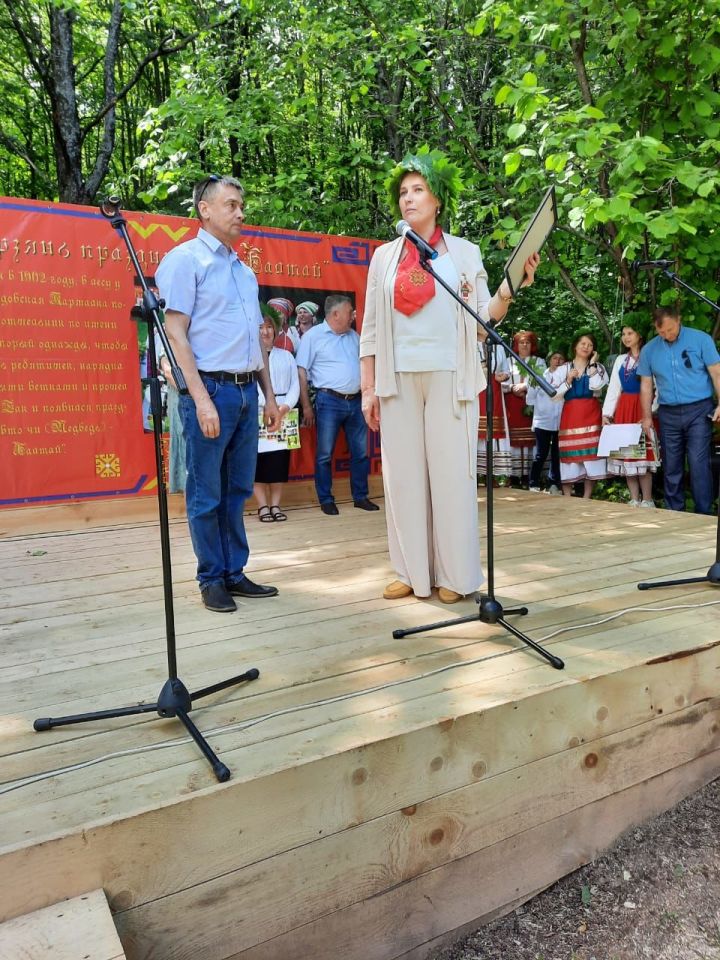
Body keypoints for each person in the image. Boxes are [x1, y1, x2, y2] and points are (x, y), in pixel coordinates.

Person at [359, 148, 539, 603]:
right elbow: (371, 330)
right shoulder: (383, 257)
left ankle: (454, 577)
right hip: (396, 379)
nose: (409, 198)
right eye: (403, 192)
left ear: (437, 199)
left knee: (451, 478)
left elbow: (482, 322)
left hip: (449, 376)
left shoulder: (463, 253)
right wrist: (368, 388)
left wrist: (510, 288)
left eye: (418, 190)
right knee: (403, 480)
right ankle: (411, 571)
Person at [156, 174, 281, 613]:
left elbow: (256, 342)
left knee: (238, 489)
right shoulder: (184, 260)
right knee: (206, 492)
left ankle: (234, 572)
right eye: (230, 205)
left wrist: (268, 396)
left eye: (241, 205)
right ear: (204, 210)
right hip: (209, 391)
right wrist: (201, 399)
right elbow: (176, 334)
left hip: (247, 393)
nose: (240, 212)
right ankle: (210, 577)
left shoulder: (245, 272)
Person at [296, 294, 379, 515]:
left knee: (360, 453)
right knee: (324, 454)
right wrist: (306, 406)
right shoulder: (312, 337)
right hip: (328, 401)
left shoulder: (355, 337)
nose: (353, 316)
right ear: (335, 314)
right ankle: (326, 499)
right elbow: (301, 372)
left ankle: (360, 497)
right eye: (349, 312)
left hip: (356, 401)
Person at [638, 307, 720, 514]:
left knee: (698, 462)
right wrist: (646, 417)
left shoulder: (701, 340)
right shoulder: (649, 350)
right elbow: (646, 385)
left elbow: (716, 374)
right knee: (671, 464)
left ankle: (704, 513)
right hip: (668, 412)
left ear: (679, 320)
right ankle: (674, 512)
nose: (667, 335)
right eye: (662, 332)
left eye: (670, 329)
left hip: (700, 410)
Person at [602, 324, 659, 507]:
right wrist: (607, 413)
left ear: (639, 335)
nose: (626, 337)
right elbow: (614, 388)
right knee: (628, 456)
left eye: (630, 333)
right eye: (623, 334)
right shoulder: (620, 359)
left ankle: (648, 500)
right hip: (625, 409)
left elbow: (659, 387)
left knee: (642, 457)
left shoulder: (650, 356)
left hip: (642, 409)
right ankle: (634, 498)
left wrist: (650, 411)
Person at [548, 332, 609, 498]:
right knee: (570, 455)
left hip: (591, 413)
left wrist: (593, 366)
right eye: (583, 343)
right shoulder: (563, 369)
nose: (586, 347)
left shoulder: (598, 367)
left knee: (591, 456)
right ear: (575, 346)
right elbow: (553, 395)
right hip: (571, 415)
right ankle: (567, 495)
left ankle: (586, 497)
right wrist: (568, 380)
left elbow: (597, 388)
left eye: (589, 345)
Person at [254, 309, 300, 522]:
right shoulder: (250, 358)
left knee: (278, 462)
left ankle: (276, 505)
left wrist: (285, 406)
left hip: (283, 413)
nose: (265, 331)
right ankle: (262, 506)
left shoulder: (287, 356)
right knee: (258, 462)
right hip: (257, 414)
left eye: (269, 327)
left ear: (275, 330)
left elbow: (295, 386)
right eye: (261, 327)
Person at [501, 330, 545, 484]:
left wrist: (525, 386)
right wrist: (512, 387)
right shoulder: (508, 361)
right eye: (521, 342)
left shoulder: (538, 361)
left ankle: (528, 475)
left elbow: (543, 380)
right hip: (512, 403)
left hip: (531, 404)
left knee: (530, 439)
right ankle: (512, 475)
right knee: (513, 439)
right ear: (516, 345)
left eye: (527, 342)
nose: (524, 345)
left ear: (532, 345)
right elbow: (500, 381)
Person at [527, 350, 565, 494]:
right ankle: (533, 483)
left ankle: (554, 483)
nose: (558, 361)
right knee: (541, 454)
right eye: (555, 358)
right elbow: (529, 399)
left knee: (557, 454)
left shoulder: (566, 377)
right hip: (542, 421)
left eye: (561, 358)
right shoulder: (540, 376)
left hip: (560, 421)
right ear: (549, 360)